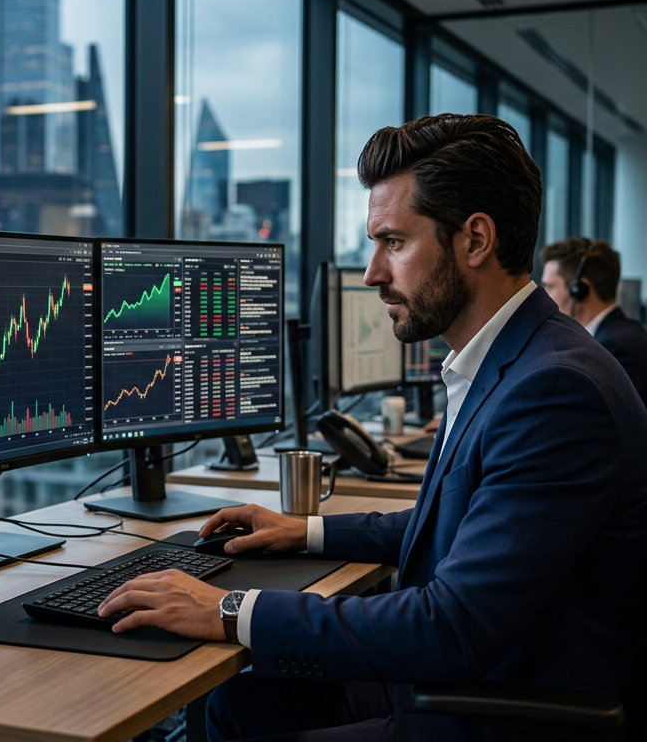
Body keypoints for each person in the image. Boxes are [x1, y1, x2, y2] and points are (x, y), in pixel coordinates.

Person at [97, 114, 647, 741]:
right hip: (471, 676)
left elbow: (449, 628)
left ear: (475, 240)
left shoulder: (554, 391)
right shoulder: (517, 357)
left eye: (393, 242)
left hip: (495, 709)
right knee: (237, 703)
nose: (371, 274)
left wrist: (227, 608)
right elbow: (456, 524)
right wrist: (303, 530)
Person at [541, 236, 647, 407]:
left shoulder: (613, 348)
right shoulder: (625, 333)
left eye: (550, 286)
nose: (544, 295)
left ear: (579, 290)